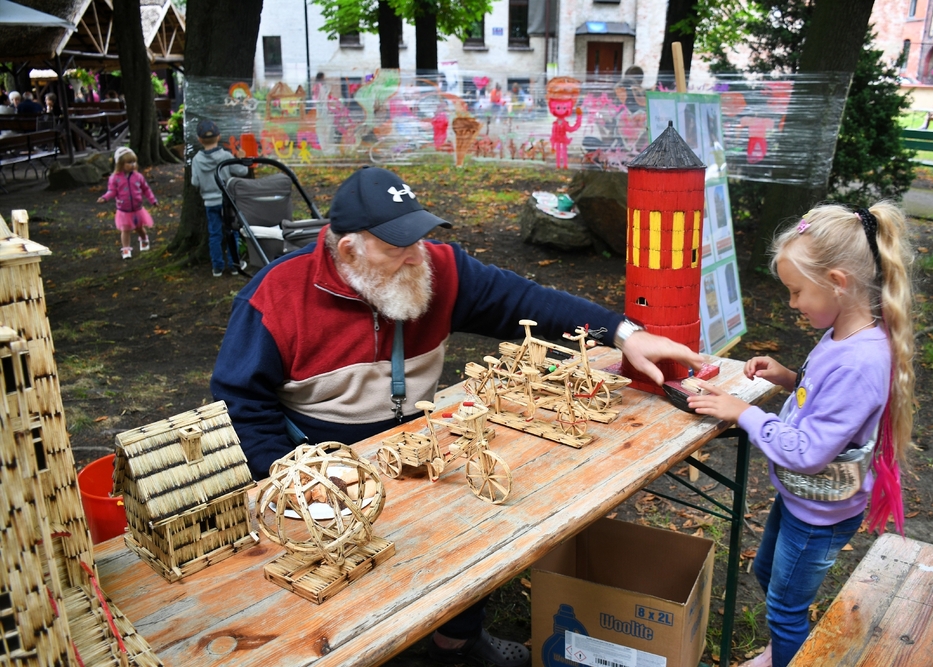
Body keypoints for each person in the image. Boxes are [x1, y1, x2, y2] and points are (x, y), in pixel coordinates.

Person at [210, 166, 706, 667]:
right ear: (348, 250)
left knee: (488, 511)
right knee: (344, 576)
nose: (414, 255)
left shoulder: (437, 271)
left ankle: (457, 643)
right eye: (396, 245)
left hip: (417, 447)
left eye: (418, 238)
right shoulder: (276, 296)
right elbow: (239, 399)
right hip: (324, 471)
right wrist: (294, 478)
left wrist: (624, 333)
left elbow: (527, 300)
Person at [688, 202, 915, 667]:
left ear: (837, 281)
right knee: (770, 572)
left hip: (819, 515)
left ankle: (787, 656)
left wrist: (742, 413)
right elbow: (826, 403)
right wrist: (788, 378)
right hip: (802, 499)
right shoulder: (843, 336)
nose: (791, 303)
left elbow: (809, 451)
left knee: (786, 607)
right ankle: (783, 648)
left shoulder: (860, 360)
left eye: (796, 292)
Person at [190, 119, 248, 277]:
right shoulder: (226, 156)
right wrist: (242, 158)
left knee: (214, 234)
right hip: (227, 201)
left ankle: (217, 267)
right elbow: (242, 172)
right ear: (219, 136)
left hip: (209, 203)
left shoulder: (196, 160)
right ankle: (235, 265)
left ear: (199, 139)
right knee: (232, 232)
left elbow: (194, 182)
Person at [97, 147, 157, 260]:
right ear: (120, 164)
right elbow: (112, 191)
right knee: (125, 230)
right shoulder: (114, 178)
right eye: (129, 162)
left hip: (138, 209)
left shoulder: (138, 176)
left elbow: (146, 189)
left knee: (139, 228)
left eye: (134, 162)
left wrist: (153, 200)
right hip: (124, 210)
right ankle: (126, 249)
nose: (133, 164)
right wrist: (105, 198)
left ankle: (144, 239)